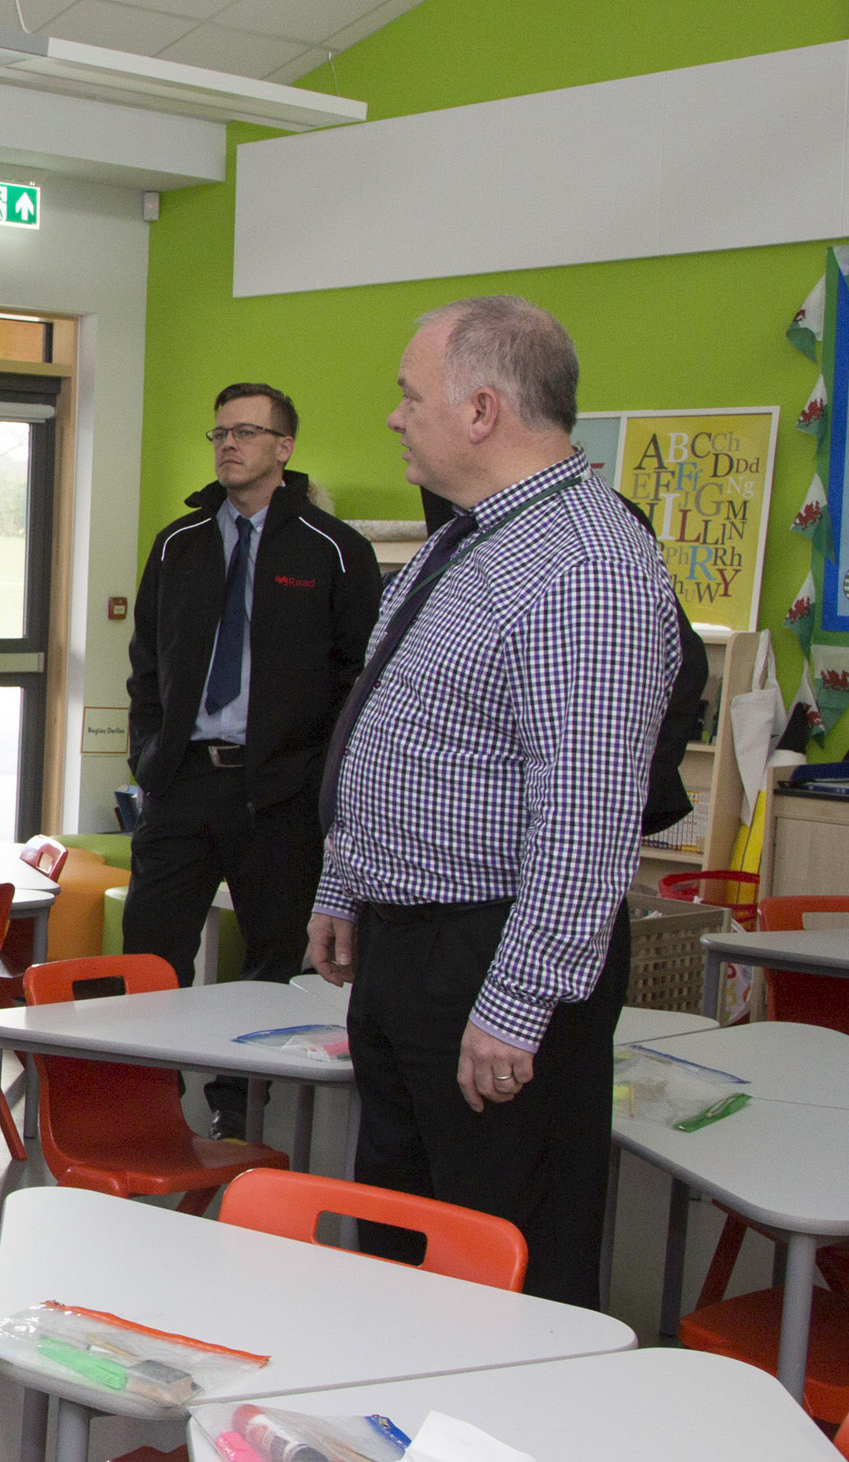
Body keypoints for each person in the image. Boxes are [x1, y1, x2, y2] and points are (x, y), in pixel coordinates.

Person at [311, 295, 679, 1308]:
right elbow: (394, 726)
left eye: (406, 394)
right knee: (399, 1233)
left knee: (496, 1254)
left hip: (489, 958)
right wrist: (344, 884)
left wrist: (515, 1003)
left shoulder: (585, 567)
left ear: (479, 411)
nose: (393, 416)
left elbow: (588, 817)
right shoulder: (464, 542)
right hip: (405, 945)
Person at [121, 384, 376, 1141]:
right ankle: (149, 1090)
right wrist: (148, 751)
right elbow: (145, 663)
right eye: (219, 432)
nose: (228, 444)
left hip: (280, 793)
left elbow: (357, 680)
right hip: (183, 780)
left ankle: (241, 1096)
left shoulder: (333, 549)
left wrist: (317, 778)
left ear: (283, 447)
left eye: (246, 432)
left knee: (270, 960)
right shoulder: (179, 543)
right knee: (150, 947)